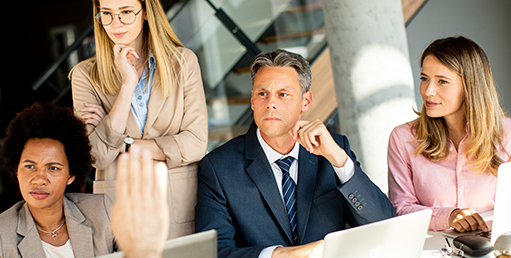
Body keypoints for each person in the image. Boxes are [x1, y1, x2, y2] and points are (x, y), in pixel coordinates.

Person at [195, 49, 396, 258]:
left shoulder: (334, 150)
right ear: (252, 101)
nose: (270, 103)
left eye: (283, 94)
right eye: (262, 94)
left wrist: (339, 161)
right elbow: (212, 253)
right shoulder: (218, 168)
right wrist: (279, 255)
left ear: (306, 102)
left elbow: (385, 225)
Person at [70, 0, 207, 239]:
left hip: (178, 205)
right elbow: (96, 155)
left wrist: (125, 143)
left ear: (145, 11)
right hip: (119, 210)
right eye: (106, 14)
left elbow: (195, 143)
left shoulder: (183, 63)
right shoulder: (84, 76)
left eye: (125, 13)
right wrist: (127, 84)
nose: (115, 24)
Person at [0, 102, 169, 258]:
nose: (39, 179)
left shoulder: (101, 211)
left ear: (71, 175)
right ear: (16, 170)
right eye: (30, 166)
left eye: (53, 168)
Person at [388, 36, 511, 233]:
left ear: (471, 87)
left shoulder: (508, 135)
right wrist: (448, 216)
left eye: (442, 81)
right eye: (424, 79)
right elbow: (400, 208)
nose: (428, 91)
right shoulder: (402, 139)